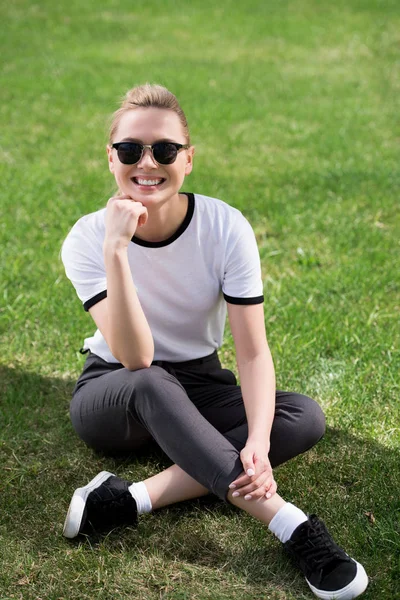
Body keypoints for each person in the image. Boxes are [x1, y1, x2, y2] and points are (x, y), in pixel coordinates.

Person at [61, 83, 368, 599]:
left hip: (199, 380)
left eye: (164, 150)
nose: (147, 163)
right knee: (152, 381)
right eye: (131, 150)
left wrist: (257, 442)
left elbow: (251, 351)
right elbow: (136, 358)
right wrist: (117, 250)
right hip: (116, 391)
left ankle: (126, 500)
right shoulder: (87, 238)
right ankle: (293, 527)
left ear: (189, 158)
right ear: (111, 157)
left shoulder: (225, 226)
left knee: (300, 418)